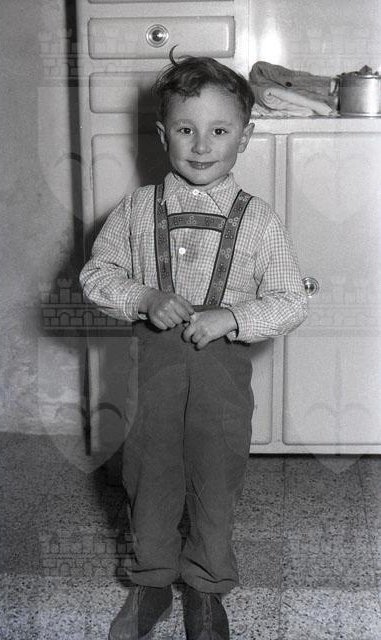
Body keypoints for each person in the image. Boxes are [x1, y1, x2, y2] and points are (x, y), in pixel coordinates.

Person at [80, 53, 307, 640]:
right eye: (186, 129)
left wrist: (234, 316)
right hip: (151, 380)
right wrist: (143, 297)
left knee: (214, 480)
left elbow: (291, 300)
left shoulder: (259, 221)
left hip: (220, 384)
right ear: (163, 135)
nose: (201, 146)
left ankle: (206, 586)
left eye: (219, 131)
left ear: (245, 137)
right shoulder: (135, 210)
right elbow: (95, 276)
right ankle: (151, 580)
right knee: (148, 475)